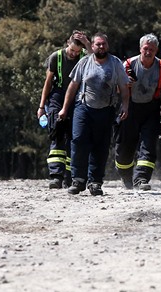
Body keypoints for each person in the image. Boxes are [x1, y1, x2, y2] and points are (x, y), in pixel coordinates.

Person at [58, 33, 130, 196]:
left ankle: (95, 182)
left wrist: (125, 106)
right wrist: (64, 108)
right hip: (83, 108)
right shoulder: (84, 62)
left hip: (106, 109)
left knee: (101, 146)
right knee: (78, 141)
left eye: (104, 44)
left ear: (108, 45)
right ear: (92, 46)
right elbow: (72, 86)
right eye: (98, 44)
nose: (101, 47)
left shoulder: (115, 63)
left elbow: (124, 88)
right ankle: (78, 180)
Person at [114, 33, 161, 191]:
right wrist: (126, 85)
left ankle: (141, 178)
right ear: (140, 49)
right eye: (146, 48)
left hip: (151, 109)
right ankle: (126, 176)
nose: (148, 52)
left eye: (152, 49)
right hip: (129, 108)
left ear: (156, 50)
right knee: (124, 147)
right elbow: (117, 90)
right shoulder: (128, 65)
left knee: (148, 145)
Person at [37, 30, 92, 189]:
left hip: (77, 96)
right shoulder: (56, 57)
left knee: (75, 135)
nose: (74, 54)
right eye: (72, 50)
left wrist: (87, 43)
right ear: (68, 43)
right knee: (57, 132)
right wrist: (42, 106)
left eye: (77, 51)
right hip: (58, 95)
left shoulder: (84, 56)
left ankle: (70, 176)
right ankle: (56, 176)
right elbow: (48, 83)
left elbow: (95, 59)